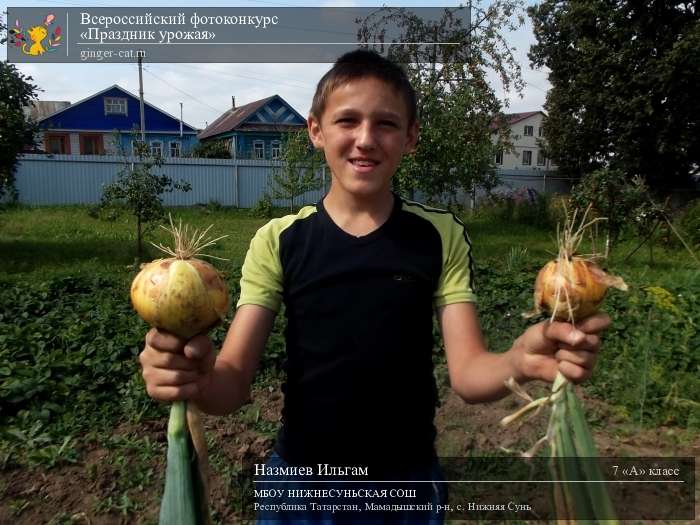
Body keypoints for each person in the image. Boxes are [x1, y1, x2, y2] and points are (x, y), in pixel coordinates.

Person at [139, 50, 610, 523]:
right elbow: (232, 385)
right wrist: (195, 381)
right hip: (303, 485)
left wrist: (519, 360)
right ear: (316, 131)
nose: (365, 139)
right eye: (347, 120)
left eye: (385, 124)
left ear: (410, 137)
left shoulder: (439, 235)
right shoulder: (279, 240)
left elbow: (468, 376)